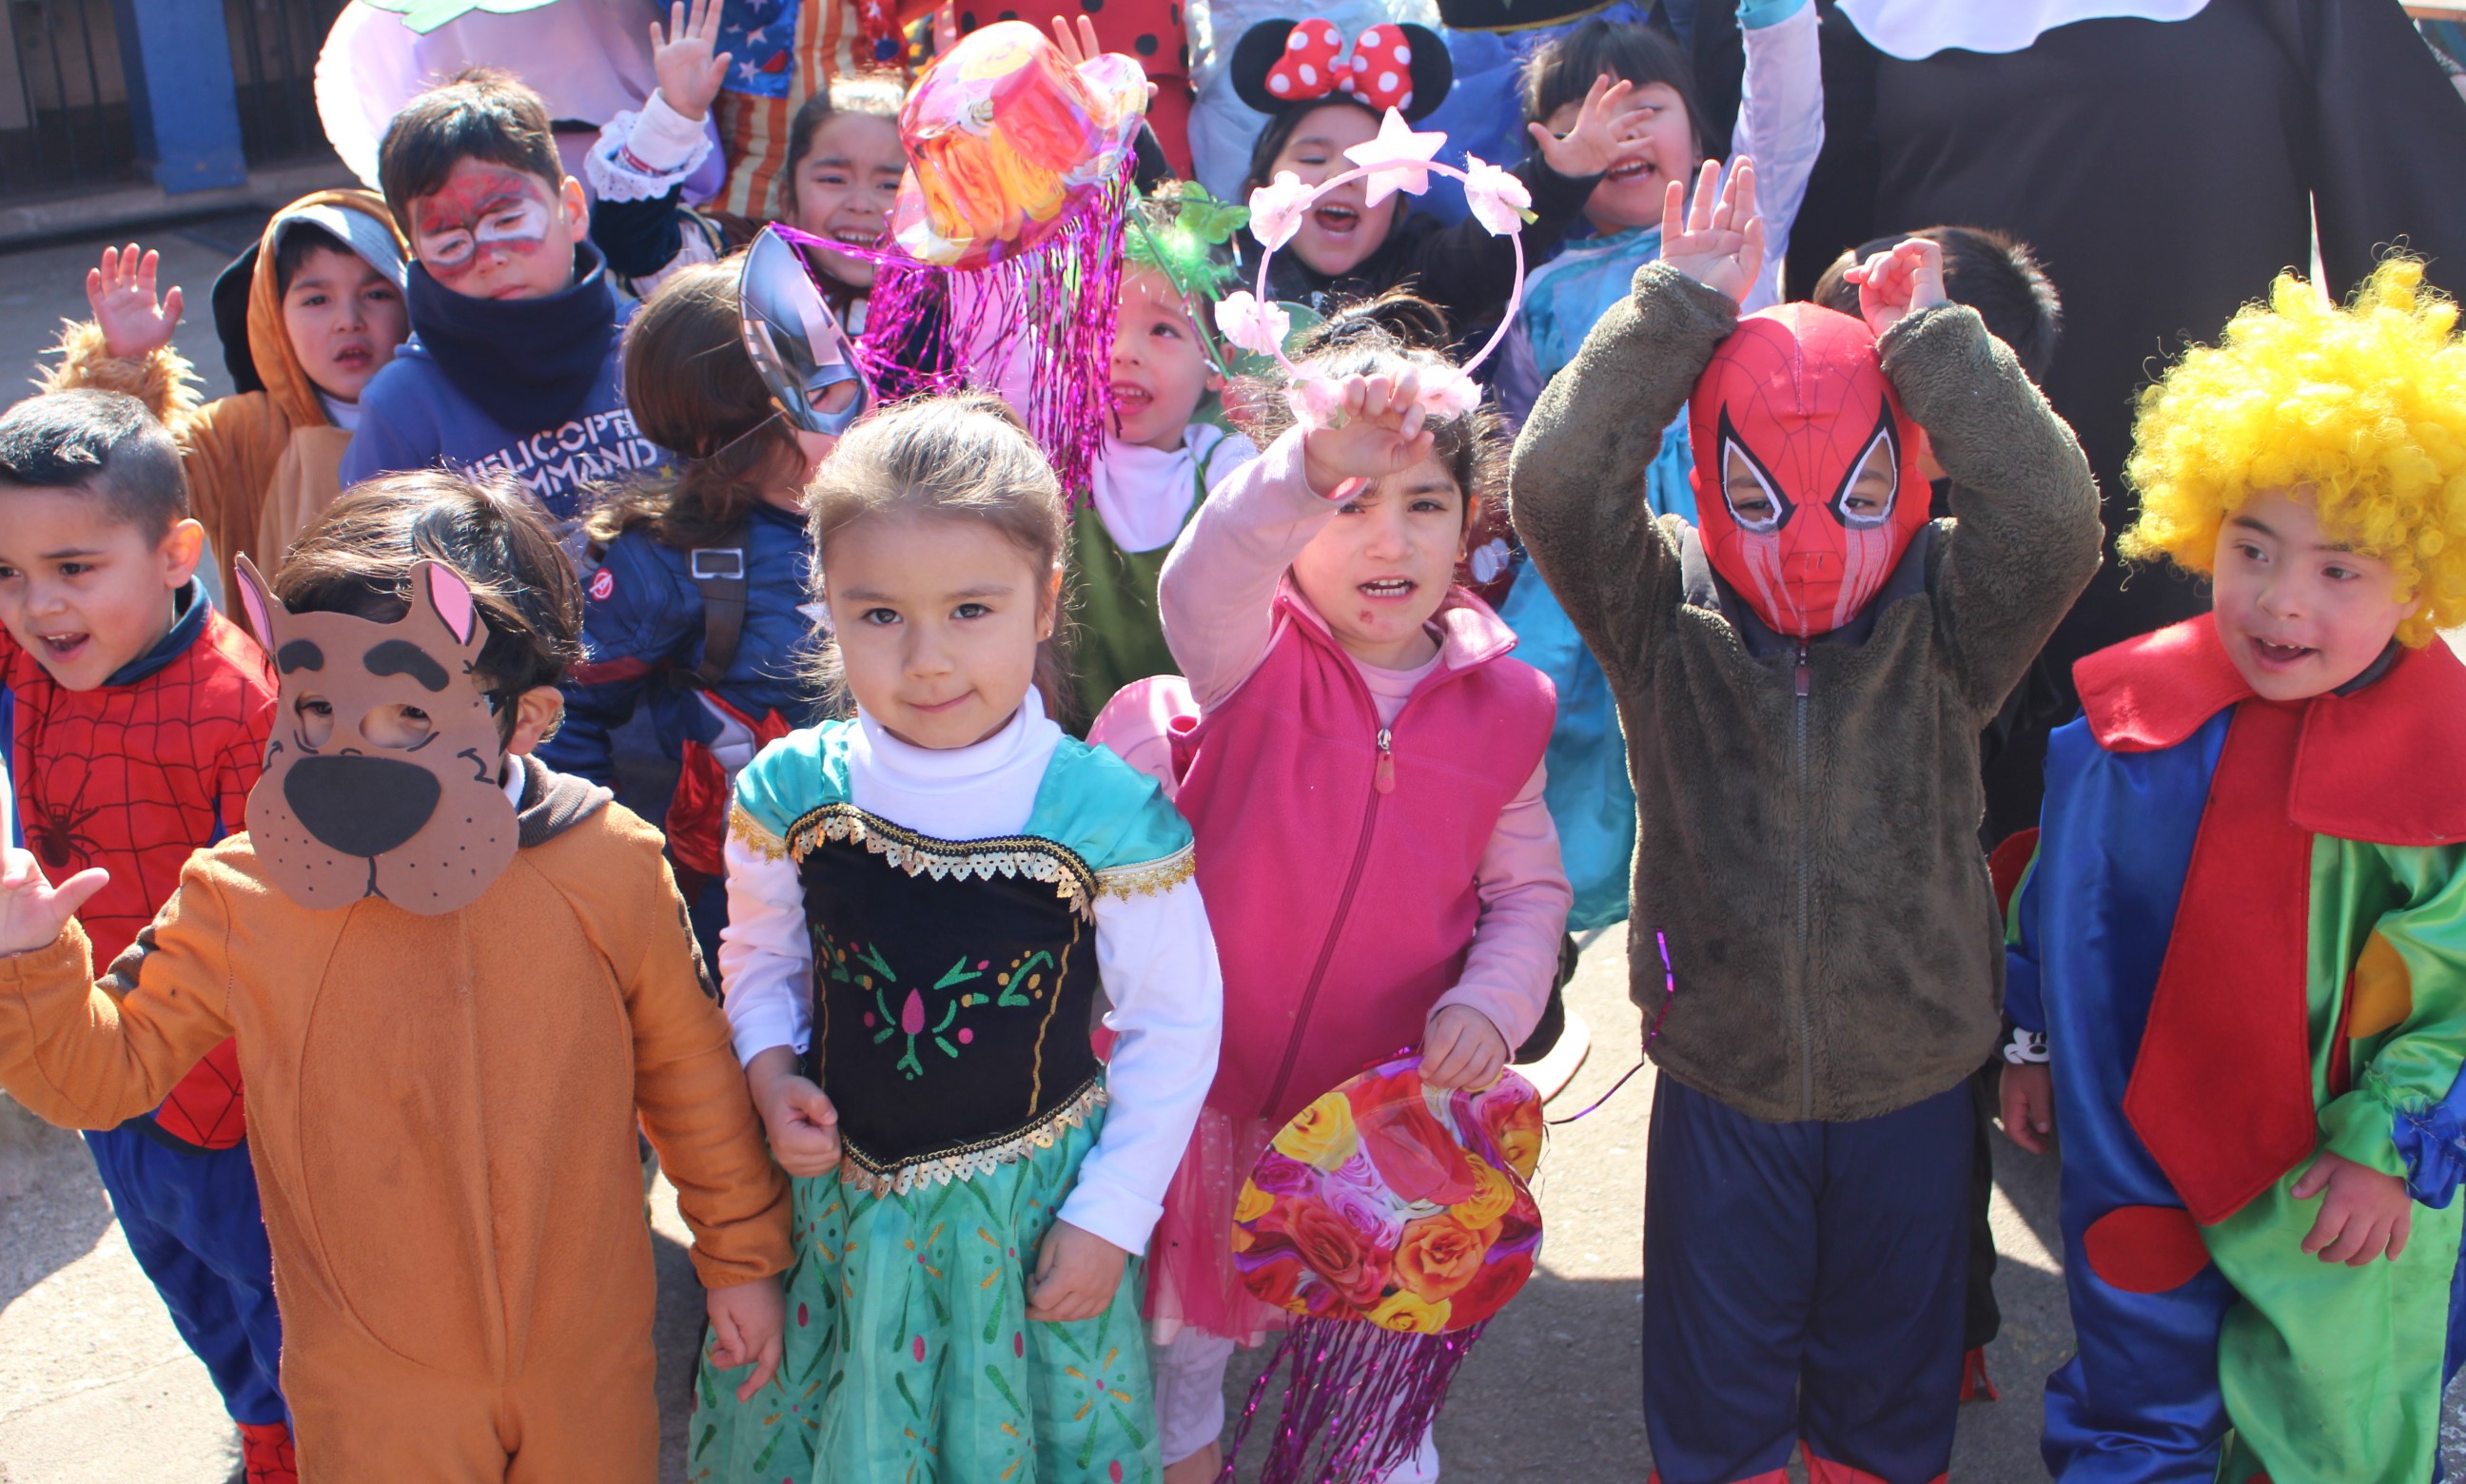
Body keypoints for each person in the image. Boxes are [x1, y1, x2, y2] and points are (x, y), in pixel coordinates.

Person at [0, 473, 791, 1480]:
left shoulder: (610, 864)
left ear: (526, 719)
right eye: (318, 707)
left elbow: (692, 1081)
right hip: (367, 1390)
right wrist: (28, 967)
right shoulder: (245, 889)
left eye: (406, 717)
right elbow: (100, 1077)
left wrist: (742, 1261)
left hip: (584, 1364)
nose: (345, 756)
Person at [1509, 166, 2101, 1482]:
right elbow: (1554, 485)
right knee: (1721, 1370)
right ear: (1711, 479)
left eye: (1857, 488)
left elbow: (2056, 520)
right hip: (1725, 1064)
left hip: (1914, 1072)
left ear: (1909, 470)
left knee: (1887, 1376)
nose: (1817, 545)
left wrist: (1940, 346)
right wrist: (1675, 311)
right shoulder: (1660, 612)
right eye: (1766, 496)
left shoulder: (1948, 610)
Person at [688, 394, 1223, 1483]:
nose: (926, 660)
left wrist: (1111, 1216)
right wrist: (769, 1067)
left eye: (971, 610)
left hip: (1022, 1237)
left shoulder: (1100, 816)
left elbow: (1176, 1022)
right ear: (827, 606)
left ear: (1043, 604)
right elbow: (763, 962)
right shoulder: (795, 792)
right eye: (879, 615)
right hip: (840, 1222)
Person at [1999, 257, 2466, 1484]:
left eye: (2340, 571)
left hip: (2336, 1168)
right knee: (2132, 1370)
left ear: (2421, 581)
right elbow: (2061, 894)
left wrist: (2386, 1139)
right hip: (2137, 1142)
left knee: (2339, 1410)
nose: (2281, 603)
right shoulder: (2128, 719)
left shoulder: (2448, 768)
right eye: (2253, 550)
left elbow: (2462, 983)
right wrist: (2033, 1037)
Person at [1787, 0, 2466, 842]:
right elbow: (1813, 257)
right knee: (1970, 827)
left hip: (2205, 491)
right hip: (1965, 481)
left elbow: (2408, 184)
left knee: (2187, 834)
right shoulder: (1862, 15)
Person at [1133, 299, 1572, 1484]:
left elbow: (1531, 893)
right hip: (1206, 1102)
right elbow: (1200, 575)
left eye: (1424, 503)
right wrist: (1305, 462)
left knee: (1371, 1363)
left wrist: (1493, 1003)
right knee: (1185, 1359)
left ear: (1470, 522)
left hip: (1378, 1126)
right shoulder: (1244, 652)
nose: (1391, 540)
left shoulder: (1509, 705)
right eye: (1349, 504)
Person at [1486, 0, 1822, 950]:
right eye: (1587, 113)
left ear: (1700, 130)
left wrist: (1779, 18)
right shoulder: (1536, 282)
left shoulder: (1737, 245)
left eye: (1650, 103)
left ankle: (1738, 943)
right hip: (1589, 563)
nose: (1625, 125)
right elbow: (1521, 435)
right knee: (1557, 731)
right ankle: (1538, 941)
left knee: (1731, 750)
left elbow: (1786, 127)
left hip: (1732, 549)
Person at [0, 390, 292, 1482]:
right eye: (10, 575)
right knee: (180, 1279)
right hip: (91, 1064)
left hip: (225, 1093)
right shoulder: (34, 660)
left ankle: (299, 1442)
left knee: (270, 1291)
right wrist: (118, 366)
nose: (39, 604)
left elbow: (270, 917)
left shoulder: (241, 707)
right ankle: (260, 1427)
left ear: (179, 554)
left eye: (75, 568)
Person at [1812, 220, 2066, 1397]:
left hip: (1943, 944)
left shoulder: (1997, 567)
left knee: (1931, 1146)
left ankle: (1944, 1332)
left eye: (1943, 350)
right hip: (1779, 951)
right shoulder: (1750, 552)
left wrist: (2028, 1026)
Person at [543, 256, 852, 967]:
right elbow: (561, 707)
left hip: (884, 864)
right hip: (740, 894)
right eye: (823, 384)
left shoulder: (878, 509)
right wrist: (603, 855)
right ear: (738, 429)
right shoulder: (665, 563)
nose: (856, 397)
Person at [38, 193, 408, 604]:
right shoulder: (238, 434)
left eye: (377, 294)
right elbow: (103, 495)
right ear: (274, 319)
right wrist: (123, 365)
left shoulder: (446, 402)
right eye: (316, 300)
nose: (349, 321)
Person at [341, 68, 663, 529]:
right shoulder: (403, 407)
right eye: (451, 243)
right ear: (419, 259)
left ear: (571, 211)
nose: (488, 258)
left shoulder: (659, 348)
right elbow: (374, 580)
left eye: (508, 220)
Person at [1225, 18, 1628, 345]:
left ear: (1400, 206)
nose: (1340, 177)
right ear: (1254, 192)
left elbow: (1486, 252)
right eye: (1313, 157)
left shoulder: (1421, 283)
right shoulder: (1220, 280)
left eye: (1367, 163)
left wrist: (1557, 177)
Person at [1067, 186, 1262, 724]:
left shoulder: (1227, 465)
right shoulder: (1054, 460)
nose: (1124, 351)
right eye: (1103, 324)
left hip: (1199, 749)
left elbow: (1276, 509)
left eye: (1163, 329)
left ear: (1216, 362)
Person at [588, 0, 906, 314]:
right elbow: (633, 247)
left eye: (890, 185)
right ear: (787, 199)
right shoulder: (743, 269)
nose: (860, 203)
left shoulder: (944, 285)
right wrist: (674, 116)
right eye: (834, 179)